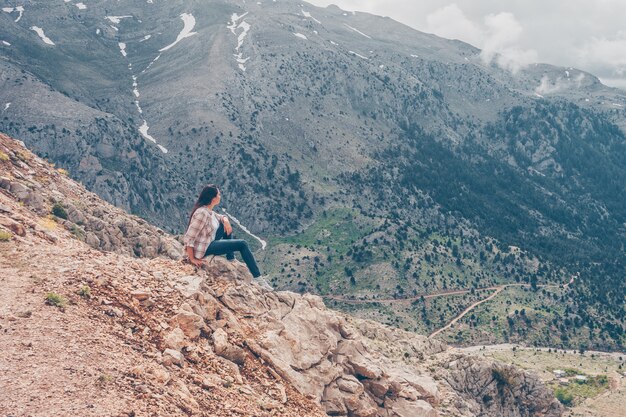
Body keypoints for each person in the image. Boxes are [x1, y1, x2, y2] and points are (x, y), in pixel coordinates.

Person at [184, 184, 272, 290]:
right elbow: (189, 237)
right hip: (204, 249)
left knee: (224, 225)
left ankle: (231, 258)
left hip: (209, 240)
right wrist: (192, 258)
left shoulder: (208, 211)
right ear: (213, 198)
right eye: (219, 194)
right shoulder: (202, 213)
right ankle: (259, 279)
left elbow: (220, 216)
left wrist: (226, 220)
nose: (220, 196)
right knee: (242, 244)